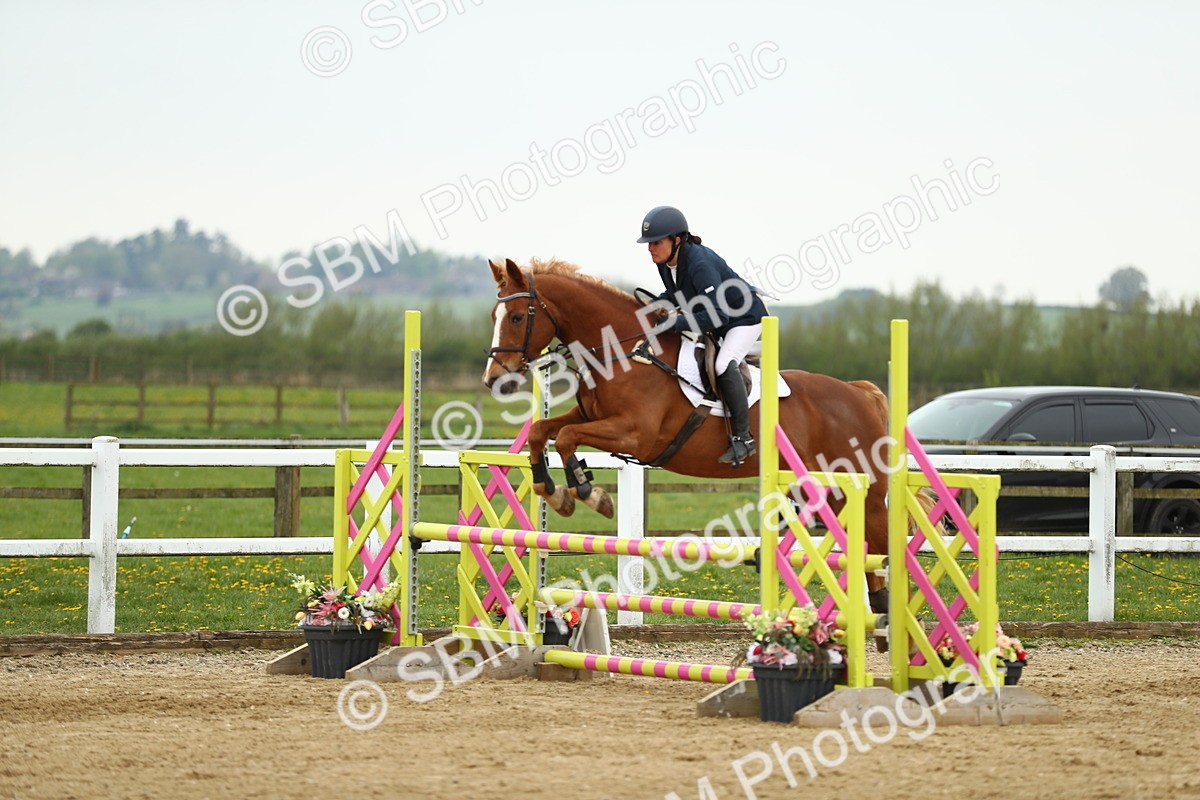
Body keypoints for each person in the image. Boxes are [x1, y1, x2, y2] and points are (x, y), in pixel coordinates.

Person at [637, 205, 767, 466]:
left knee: (722, 364)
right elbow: (678, 295)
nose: (650, 248)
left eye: (655, 243)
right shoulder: (666, 263)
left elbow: (717, 315)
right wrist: (653, 308)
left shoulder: (700, 263)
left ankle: (744, 438)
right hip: (721, 320)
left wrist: (675, 323)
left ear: (676, 240)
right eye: (648, 243)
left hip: (744, 318)